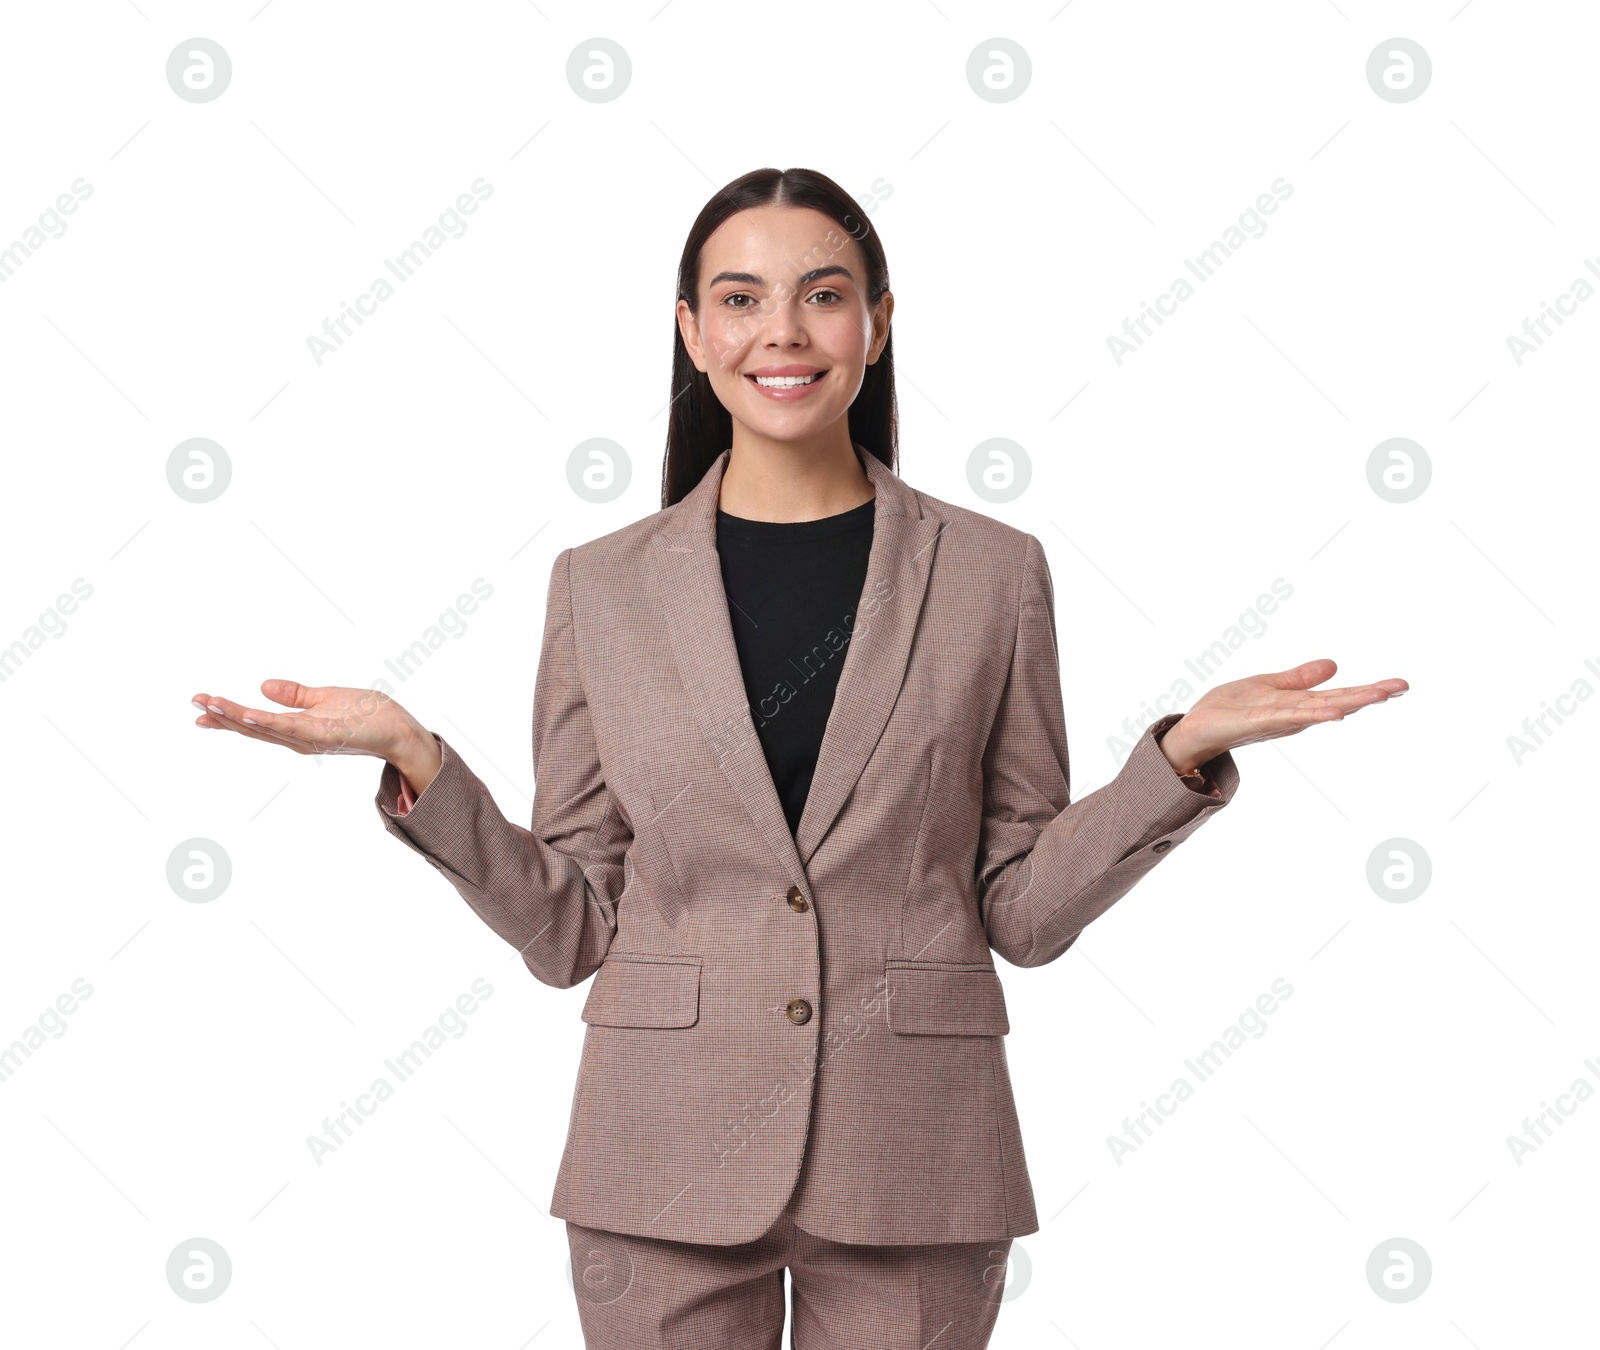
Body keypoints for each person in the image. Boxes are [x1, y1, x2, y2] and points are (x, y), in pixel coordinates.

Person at [191, 167, 1407, 1349]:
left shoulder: (993, 572)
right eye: (739, 297)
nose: (783, 330)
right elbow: (572, 929)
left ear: (877, 324)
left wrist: (1180, 756)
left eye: (823, 294)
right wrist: (420, 760)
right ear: (691, 330)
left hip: (914, 1152)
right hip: (659, 1152)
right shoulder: (597, 589)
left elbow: (1022, 911)